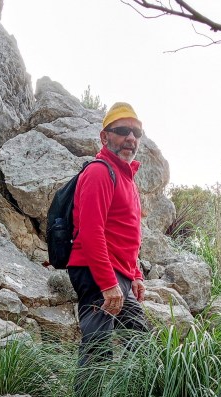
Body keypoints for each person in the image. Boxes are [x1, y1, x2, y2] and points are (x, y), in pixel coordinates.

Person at [67, 102, 150, 372]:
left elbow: (127, 234)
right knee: (98, 353)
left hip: (119, 274)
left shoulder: (127, 179)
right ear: (105, 137)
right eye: (123, 130)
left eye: (137, 133)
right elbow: (91, 232)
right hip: (97, 273)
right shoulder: (100, 171)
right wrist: (107, 283)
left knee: (141, 348)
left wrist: (135, 274)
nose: (131, 138)